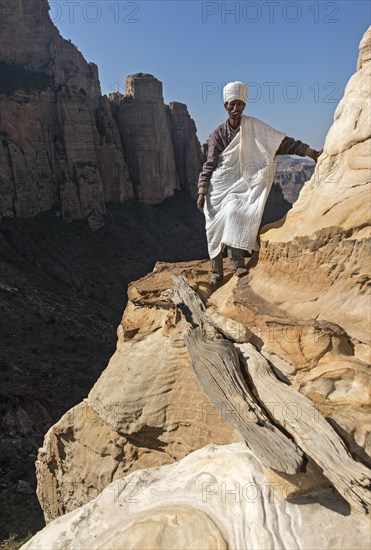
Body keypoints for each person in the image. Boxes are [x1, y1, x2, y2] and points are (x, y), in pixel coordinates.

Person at [197, 81, 322, 283]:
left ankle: (237, 264)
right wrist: (202, 190)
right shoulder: (217, 135)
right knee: (213, 226)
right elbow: (209, 164)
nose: (236, 108)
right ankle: (216, 272)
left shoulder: (254, 127)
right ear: (225, 106)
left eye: (240, 104)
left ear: (244, 106)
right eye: (232, 104)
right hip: (220, 186)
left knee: (234, 212)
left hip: (243, 185)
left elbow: (281, 143)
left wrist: (311, 153)